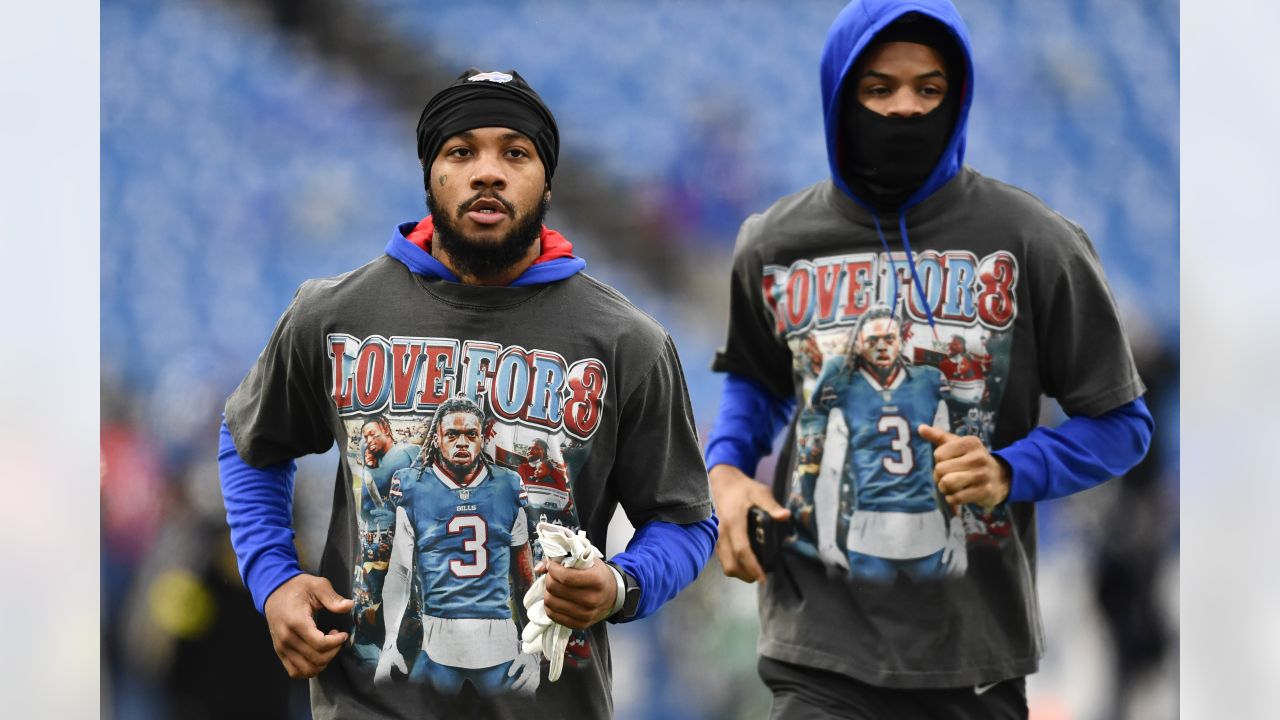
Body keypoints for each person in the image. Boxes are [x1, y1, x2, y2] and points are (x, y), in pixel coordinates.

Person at [218, 67, 717, 719]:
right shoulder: (334, 314)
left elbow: (684, 518)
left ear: (546, 179)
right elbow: (251, 441)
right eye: (462, 151)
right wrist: (274, 580)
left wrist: (623, 585)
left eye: (515, 152)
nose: (489, 171)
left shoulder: (625, 342)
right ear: (431, 174)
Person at [705, 1, 1154, 717]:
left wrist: (1012, 468)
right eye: (879, 89)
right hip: (817, 646)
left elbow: (1123, 426)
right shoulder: (775, 241)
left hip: (970, 651)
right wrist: (727, 473)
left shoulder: (1034, 240)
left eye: (929, 88)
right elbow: (756, 384)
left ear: (959, 95)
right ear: (841, 94)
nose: (905, 108)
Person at [375, 396, 540, 699]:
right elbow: (400, 570)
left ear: (481, 439)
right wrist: (389, 644)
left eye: (470, 435)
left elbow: (525, 579)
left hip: (500, 645)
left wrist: (534, 650)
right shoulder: (414, 485)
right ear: (436, 439)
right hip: (437, 645)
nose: (461, 443)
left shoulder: (507, 486)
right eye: (452, 434)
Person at [807, 304, 965, 582]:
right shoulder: (844, 389)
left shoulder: (929, 382)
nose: (881, 347)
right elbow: (830, 472)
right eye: (873, 340)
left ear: (901, 340)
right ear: (858, 344)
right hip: (870, 533)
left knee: (935, 622)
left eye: (888, 339)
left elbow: (948, 461)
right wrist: (827, 541)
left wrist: (957, 529)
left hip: (926, 530)